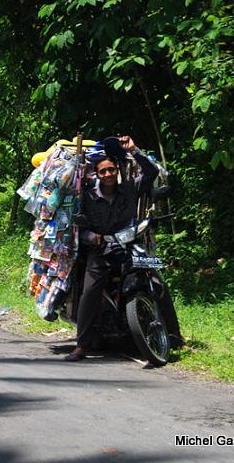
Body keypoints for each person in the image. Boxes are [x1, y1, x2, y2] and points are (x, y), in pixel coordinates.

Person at [65, 135, 160, 361]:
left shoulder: (128, 189)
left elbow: (152, 173)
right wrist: (93, 237)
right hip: (102, 251)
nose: (107, 175)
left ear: (117, 171)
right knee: (90, 292)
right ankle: (82, 345)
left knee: (155, 279)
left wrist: (135, 150)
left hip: (129, 245)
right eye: (102, 171)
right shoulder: (87, 198)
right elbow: (79, 228)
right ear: (97, 175)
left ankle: (171, 334)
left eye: (111, 170)